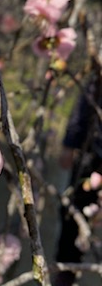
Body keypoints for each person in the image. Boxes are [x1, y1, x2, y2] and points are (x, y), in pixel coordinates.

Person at [53, 72, 102, 286]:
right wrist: (70, 142)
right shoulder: (97, 78)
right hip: (90, 154)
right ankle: (66, 268)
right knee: (71, 211)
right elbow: (82, 108)